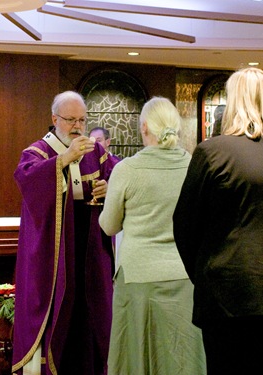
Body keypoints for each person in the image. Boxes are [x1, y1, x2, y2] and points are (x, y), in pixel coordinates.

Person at [12, 91, 118, 375]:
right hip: (54, 249)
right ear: (54, 119)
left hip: (90, 247)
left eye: (82, 120)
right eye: (71, 120)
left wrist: (110, 186)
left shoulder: (95, 150)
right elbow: (27, 181)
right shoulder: (37, 152)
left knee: (92, 309)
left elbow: (119, 174)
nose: (78, 127)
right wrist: (64, 160)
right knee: (59, 310)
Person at [99, 96, 206, 375]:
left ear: (144, 127)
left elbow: (109, 226)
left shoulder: (127, 170)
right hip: (185, 276)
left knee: (137, 357)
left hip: (138, 277)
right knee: (181, 358)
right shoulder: (194, 166)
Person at [173, 67, 263, 375]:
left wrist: (205, 272)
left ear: (232, 102)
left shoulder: (212, 152)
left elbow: (184, 226)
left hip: (225, 290)